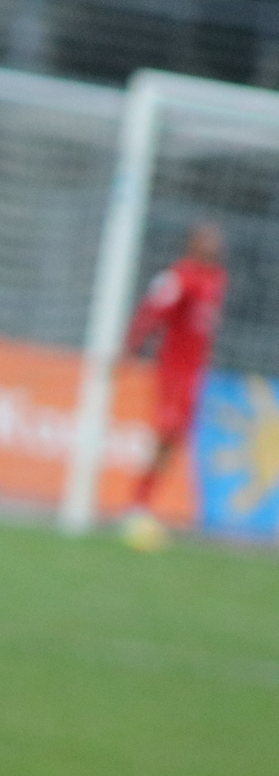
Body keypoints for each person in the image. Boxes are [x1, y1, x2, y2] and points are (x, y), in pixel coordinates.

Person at [120, 222, 228, 552]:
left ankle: (143, 505)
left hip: (195, 375)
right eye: (207, 240)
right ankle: (136, 506)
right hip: (173, 373)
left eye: (216, 241)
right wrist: (131, 347)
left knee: (174, 440)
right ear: (193, 243)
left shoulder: (216, 279)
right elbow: (152, 311)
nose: (215, 245)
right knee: (164, 433)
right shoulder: (179, 277)